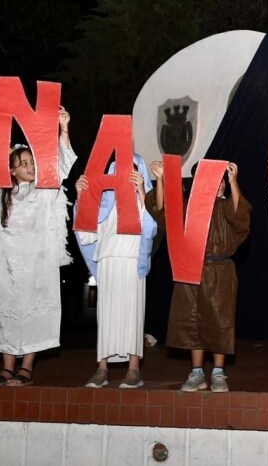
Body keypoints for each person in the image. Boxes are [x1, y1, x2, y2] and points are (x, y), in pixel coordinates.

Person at [0, 105, 76, 387]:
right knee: (6, 310)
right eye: (23, 163)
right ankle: (7, 368)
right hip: (4, 265)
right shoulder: (0, 192)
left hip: (36, 266)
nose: (30, 166)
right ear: (12, 170)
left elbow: (63, 164)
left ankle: (26, 368)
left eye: (32, 162)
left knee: (34, 313)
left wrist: (63, 128)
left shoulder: (44, 190)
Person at [145, 161, 251, 393]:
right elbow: (163, 212)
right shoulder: (188, 208)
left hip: (220, 270)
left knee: (219, 321)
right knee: (193, 322)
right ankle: (197, 372)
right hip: (191, 269)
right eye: (215, 180)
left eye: (222, 180)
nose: (219, 184)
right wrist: (161, 179)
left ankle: (219, 372)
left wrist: (234, 182)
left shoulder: (225, 207)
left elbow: (240, 216)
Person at [75, 154, 157, 389]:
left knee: (132, 314)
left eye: (132, 170)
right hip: (109, 258)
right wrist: (82, 194)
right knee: (107, 315)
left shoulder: (143, 200)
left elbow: (152, 224)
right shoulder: (105, 202)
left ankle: (134, 370)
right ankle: (102, 368)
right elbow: (87, 225)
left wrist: (142, 189)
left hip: (132, 260)